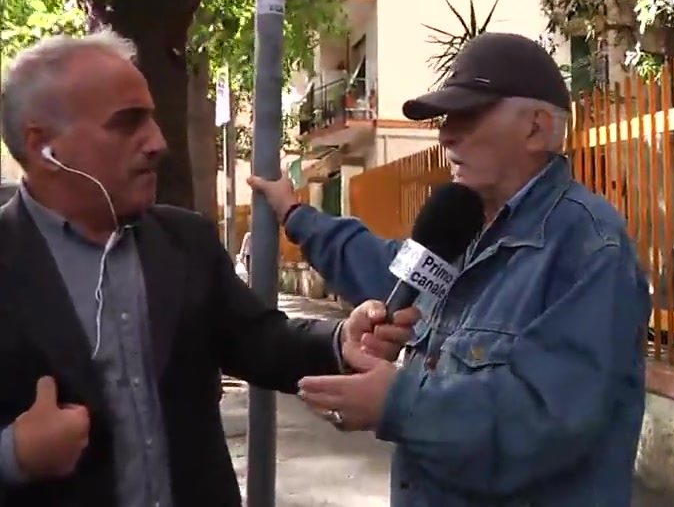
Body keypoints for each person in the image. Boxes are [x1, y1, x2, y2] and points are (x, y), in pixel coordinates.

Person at [0, 30, 417, 507]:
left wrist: (342, 339)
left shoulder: (185, 241)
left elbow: (259, 341)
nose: (157, 142)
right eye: (127, 123)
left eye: (153, 120)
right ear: (43, 146)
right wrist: (14, 455)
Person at [251, 32, 651, 506]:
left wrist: (398, 403)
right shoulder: (462, 229)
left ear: (537, 129)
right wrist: (296, 216)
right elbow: (380, 267)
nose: (446, 135)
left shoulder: (588, 246)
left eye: (469, 115)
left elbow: (547, 422)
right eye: (445, 118)